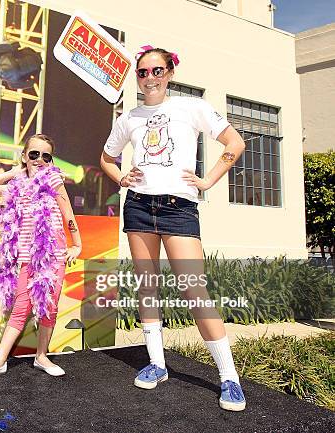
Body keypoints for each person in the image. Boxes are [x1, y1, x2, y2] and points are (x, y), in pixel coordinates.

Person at [100, 45, 247, 411]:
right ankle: (156, 364)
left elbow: (235, 142)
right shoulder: (129, 116)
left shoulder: (191, 107)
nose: (150, 78)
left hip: (178, 208)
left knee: (195, 290)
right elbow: (106, 157)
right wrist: (122, 178)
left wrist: (208, 180)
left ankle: (229, 377)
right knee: (147, 286)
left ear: (169, 73)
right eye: (143, 72)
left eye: (157, 71)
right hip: (138, 206)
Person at [0, 134, 82, 380]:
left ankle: (41, 356)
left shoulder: (53, 181)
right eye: (34, 154)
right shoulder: (16, 187)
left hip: (53, 255)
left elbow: (68, 215)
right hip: (25, 257)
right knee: (22, 306)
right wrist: (16, 172)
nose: (40, 160)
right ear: (24, 156)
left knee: (48, 306)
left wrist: (77, 246)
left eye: (46, 156)